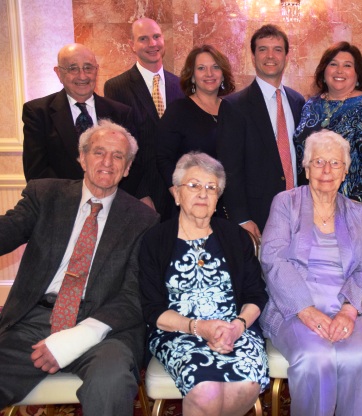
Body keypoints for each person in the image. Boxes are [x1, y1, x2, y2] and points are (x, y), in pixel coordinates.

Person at [0, 121, 159, 416]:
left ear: (127, 168)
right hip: (35, 320)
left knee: (111, 382)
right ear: (82, 158)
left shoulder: (143, 219)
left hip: (105, 329)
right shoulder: (45, 195)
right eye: (98, 152)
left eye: (118, 156)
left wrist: (83, 334)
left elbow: (135, 293)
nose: (107, 162)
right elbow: (8, 230)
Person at [260, 130, 362, 416]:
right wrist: (305, 309)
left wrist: (349, 311)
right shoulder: (286, 202)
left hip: (347, 306)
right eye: (318, 162)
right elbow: (273, 259)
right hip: (293, 306)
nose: (326, 170)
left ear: (345, 171)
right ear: (306, 168)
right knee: (315, 358)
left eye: (335, 163)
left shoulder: (357, 212)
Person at [139, 152, 269, 416]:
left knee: (244, 386)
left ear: (218, 198)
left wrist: (237, 327)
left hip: (235, 330)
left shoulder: (236, 237)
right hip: (179, 332)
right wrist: (199, 327)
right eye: (194, 185)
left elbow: (256, 294)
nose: (203, 194)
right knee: (205, 392)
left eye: (211, 188)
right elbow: (152, 308)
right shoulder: (155, 240)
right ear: (177, 194)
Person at [218, 24, 305, 239]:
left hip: (299, 212)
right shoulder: (234, 106)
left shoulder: (298, 101)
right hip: (257, 216)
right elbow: (229, 168)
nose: (270, 56)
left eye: (277, 49)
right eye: (263, 49)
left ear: (286, 56)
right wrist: (241, 218)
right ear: (253, 56)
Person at [22, 43, 138, 194]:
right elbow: (37, 172)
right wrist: (77, 198)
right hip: (59, 202)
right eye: (73, 68)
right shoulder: (37, 112)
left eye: (88, 68)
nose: (82, 76)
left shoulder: (121, 113)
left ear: (96, 70)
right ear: (58, 73)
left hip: (112, 202)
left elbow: (131, 165)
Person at [294, 41, 362, 205]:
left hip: (349, 204)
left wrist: (355, 205)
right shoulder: (310, 105)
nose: (339, 70)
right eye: (333, 64)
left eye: (347, 65)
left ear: (357, 74)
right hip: (309, 202)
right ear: (324, 71)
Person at [104, 17, 184, 218]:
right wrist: (140, 193)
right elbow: (120, 147)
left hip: (179, 191)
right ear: (132, 44)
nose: (152, 43)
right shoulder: (117, 87)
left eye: (156, 36)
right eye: (143, 39)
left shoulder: (181, 85)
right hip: (142, 194)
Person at [156, 44, 235, 216]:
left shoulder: (233, 110)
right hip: (190, 204)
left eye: (215, 67)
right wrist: (180, 194)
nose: (209, 73)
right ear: (192, 76)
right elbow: (163, 157)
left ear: (223, 75)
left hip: (228, 207)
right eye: (201, 68)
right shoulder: (178, 110)